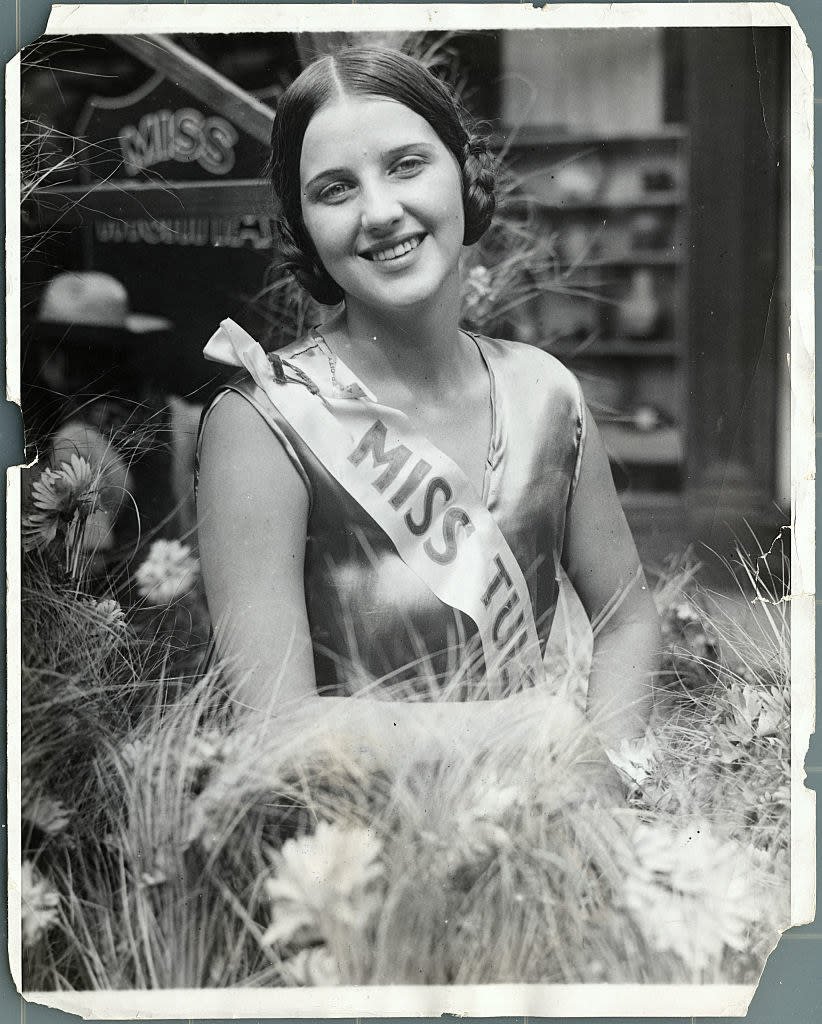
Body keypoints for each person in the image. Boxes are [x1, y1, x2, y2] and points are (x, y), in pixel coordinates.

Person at [196, 47, 661, 789]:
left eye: (407, 164)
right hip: (350, 869)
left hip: (536, 847)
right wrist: (527, 732)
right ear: (304, 227)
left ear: (463, 173)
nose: (379, 211)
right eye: (335, 189)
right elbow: (274, 729)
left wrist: (606, 782)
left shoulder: (547, 393)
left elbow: (628, 620)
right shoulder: (261, 424)